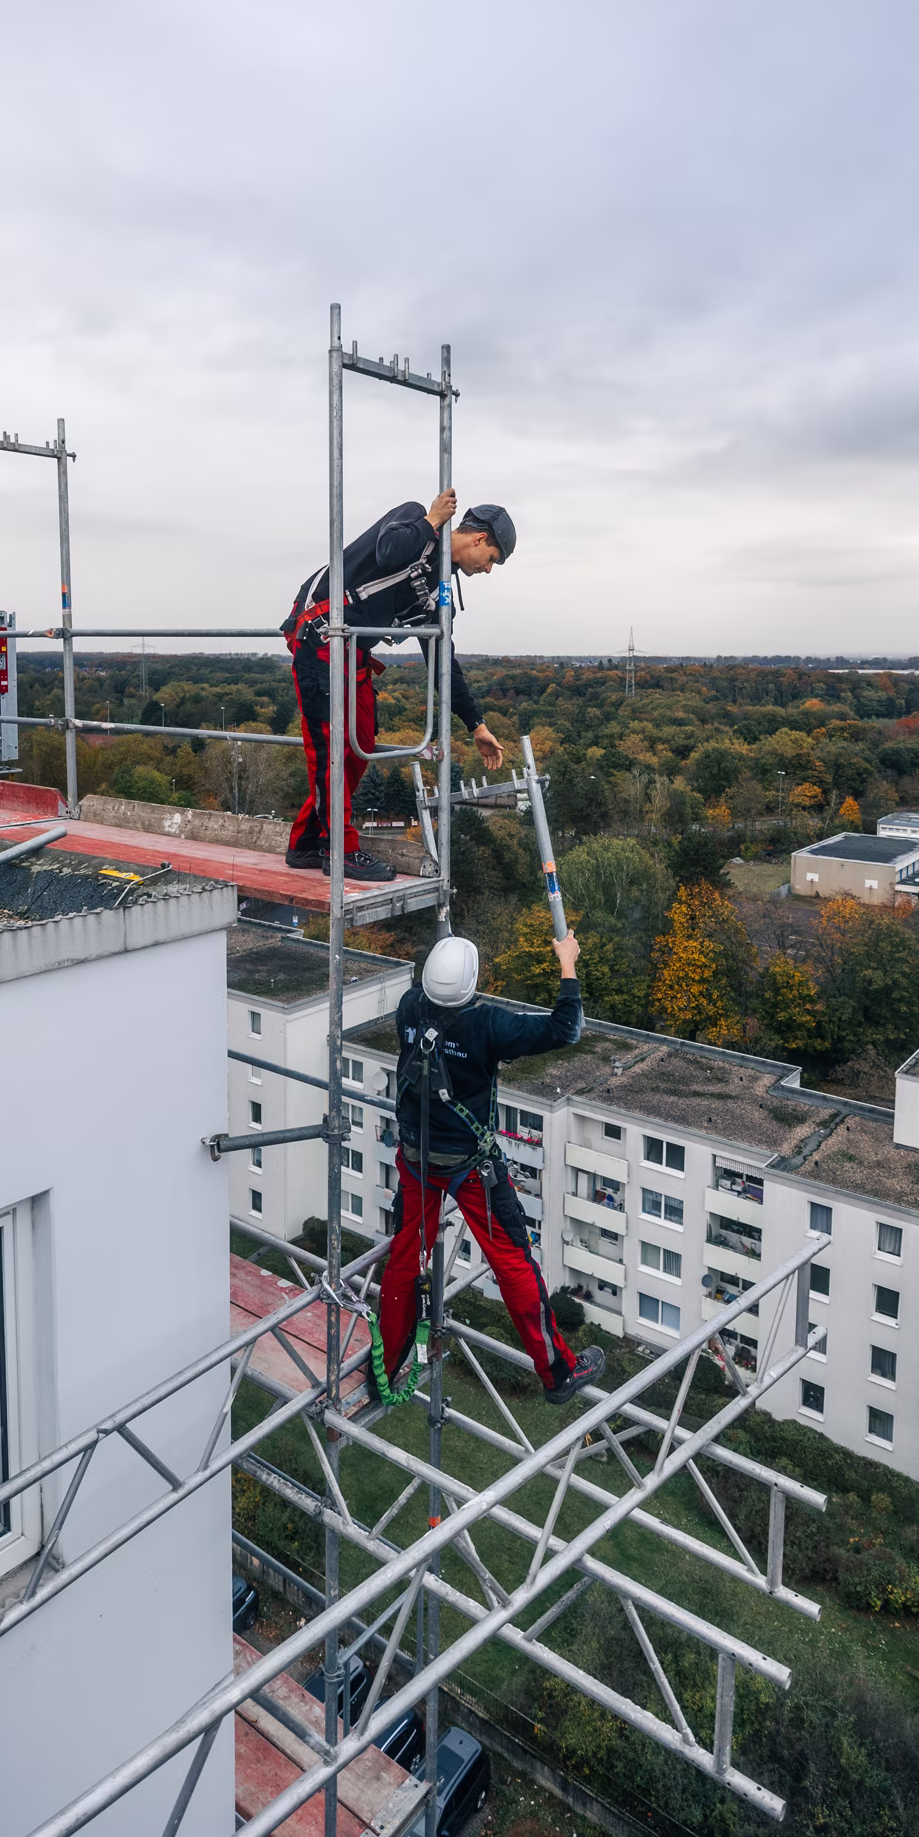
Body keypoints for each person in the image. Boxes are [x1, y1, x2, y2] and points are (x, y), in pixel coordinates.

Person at [372, 929, 607, 1407]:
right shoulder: (488, 1027)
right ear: (473, 982)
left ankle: (392, 1363)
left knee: (403, 1258)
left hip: (418, 1158)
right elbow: (566, 1028)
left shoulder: (408, 1007)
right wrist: (567, 962)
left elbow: (431, 1001)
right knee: (513, 1263)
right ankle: (557, 1373)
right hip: (469, 1167)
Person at [282, 492, 515, 878]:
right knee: (333, 749)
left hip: (352, 652)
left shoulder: (436, 592)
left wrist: (476, 724)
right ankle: (339, 849)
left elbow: (442, 660)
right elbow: (388, 551)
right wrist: (431, 521)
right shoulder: (413, 521)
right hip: (320, 638)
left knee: (360, 744)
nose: (488, 570)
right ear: (478, 539)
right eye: (492, 559)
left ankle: (306, 841)